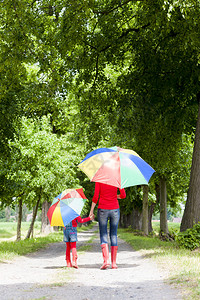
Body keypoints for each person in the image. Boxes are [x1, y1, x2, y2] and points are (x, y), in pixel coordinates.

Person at [89, 182, 126, 270]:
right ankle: (114, 263)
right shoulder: (117, 179)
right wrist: (116, 196)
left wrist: (91, 211)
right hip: (115, 210)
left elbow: (95, 197)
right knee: (113, 234)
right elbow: (123, 195)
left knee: (103, 234)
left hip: (102, 209)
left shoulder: (99, 179)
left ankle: (106, 261)